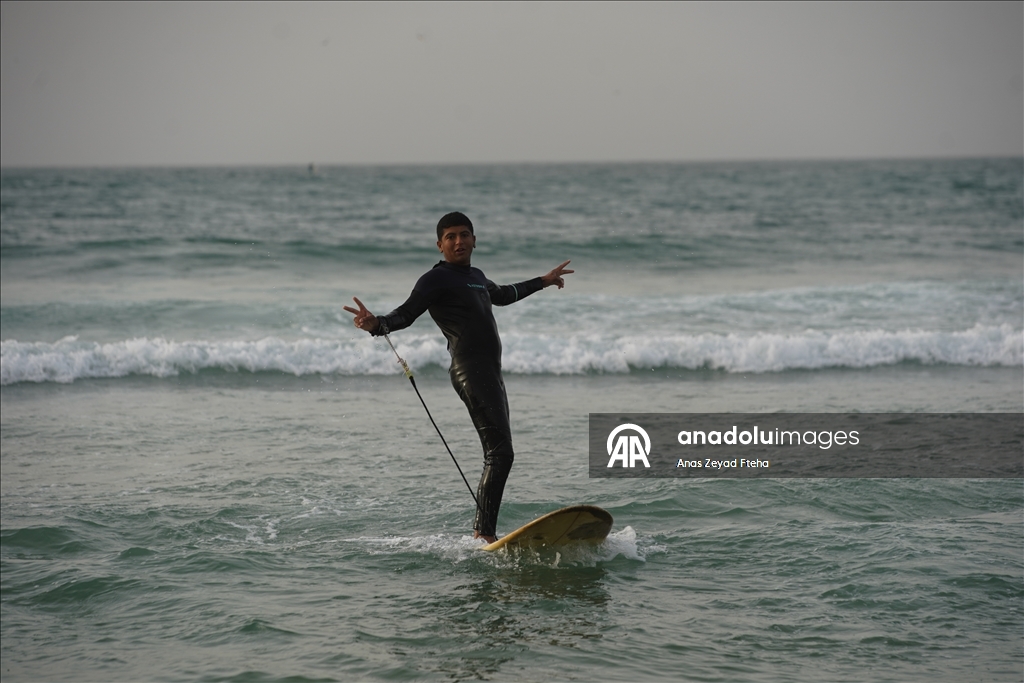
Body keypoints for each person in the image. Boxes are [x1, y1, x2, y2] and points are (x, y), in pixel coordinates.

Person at [343, 212, 573, 543]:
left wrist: (544, 280)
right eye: (450, 237)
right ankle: (483, 533)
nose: (458, 241)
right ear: (440, 245)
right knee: (500, 453)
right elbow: (405, 314)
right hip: (470, 370)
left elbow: (504, 294)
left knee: (500, 453)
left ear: (474, 240)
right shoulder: (434, 280)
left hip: (491, 372)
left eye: (464, 235)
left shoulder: (477, 276)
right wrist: (377, 324)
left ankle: (484, 532)